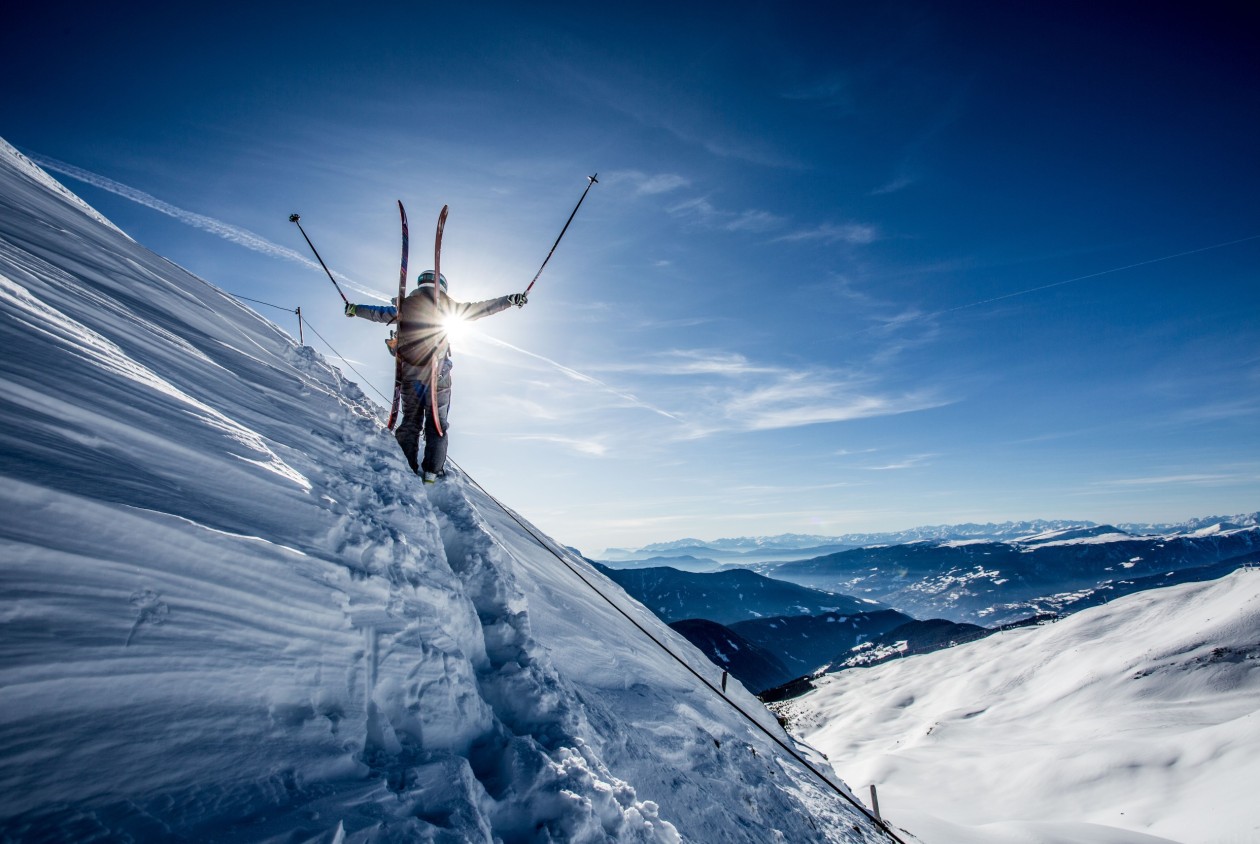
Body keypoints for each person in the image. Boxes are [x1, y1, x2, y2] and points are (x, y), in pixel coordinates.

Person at [346, 271, 526, 482]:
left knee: (411, 421)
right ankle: (433, 471)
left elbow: (376, 313)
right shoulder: (448, 307)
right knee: (437, 423)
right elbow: (482, 308)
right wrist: (509, 300)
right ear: (442, 286)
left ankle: (406, 467)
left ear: (420, 284)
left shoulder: (404, 306)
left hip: (411, 375)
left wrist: (354, 309)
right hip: (438, 374)